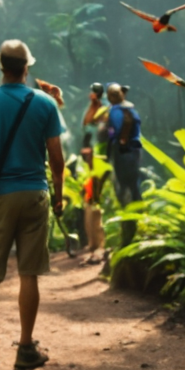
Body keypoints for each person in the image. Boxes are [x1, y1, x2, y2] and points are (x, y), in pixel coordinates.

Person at [0, 40, 67, 370]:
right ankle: (25, 348)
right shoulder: (45, 103)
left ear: (1, 67)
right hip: (35, 192)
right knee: (29, 274)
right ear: (27, 68)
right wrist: (60, 194)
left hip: (0, 196)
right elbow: (56, 157)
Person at [79, 83, 109, 261]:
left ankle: (100, 244)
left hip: (102, 159)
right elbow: (85, 129)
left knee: (97, 200)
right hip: (91, 160)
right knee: (90, 199)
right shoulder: (91, 109)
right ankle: (93, 243)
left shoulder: (105, 108)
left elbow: (101, 132)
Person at [102, 83, 143, 207]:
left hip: (122, 150)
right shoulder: (131, 109)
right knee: (135, 184)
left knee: (123, 185)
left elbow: (115, 131)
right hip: (135, 150)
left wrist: (109, 135)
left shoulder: (115, 111)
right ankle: (139, 214)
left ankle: (127, 217)